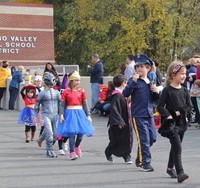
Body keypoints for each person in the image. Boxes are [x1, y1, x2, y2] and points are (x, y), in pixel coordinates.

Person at [123, 54, 160, 172]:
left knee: (152, 138)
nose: (139, 69)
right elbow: (125, 93)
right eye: (137, 67)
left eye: (142, 66)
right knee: (143, 139)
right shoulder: (133, 80)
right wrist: (133, 82)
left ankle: (140, 158)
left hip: (149, 114)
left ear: (148, 68)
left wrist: (156, 92)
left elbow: (155, 100)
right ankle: (145, 163)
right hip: (138, 115)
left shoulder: (150, 81)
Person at [157, 61, 192, 183]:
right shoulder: (167, 90)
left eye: (185, 74)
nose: (184, 76)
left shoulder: (184, 90)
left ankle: (169, 168)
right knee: (177, 147)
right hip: (171, 125)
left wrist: (180, 112)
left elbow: (189, 106)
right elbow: (160, 107)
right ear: (173, 75)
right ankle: (180, 172)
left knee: (175, 147)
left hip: (182, 124)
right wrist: (169, 114)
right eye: (182, 74)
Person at [57, 70, 95, 160]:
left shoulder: (81, 91)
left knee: (81, 133)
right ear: (71, 81)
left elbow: (85, 104)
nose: (78, 82)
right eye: (76, 80)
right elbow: (62, 105)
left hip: (80, 113)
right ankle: (72, 152)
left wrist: (88, 115)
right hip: (70, 113)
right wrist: (61, 115)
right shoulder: (66, 92)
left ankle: (77, 146)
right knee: (72, 133)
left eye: (79, 80)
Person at [105, 74, 133, 164]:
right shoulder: (116, 96)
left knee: (126, 139)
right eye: (126, 83)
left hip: (126, 121)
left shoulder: (122, 95)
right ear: (123, 83)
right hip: (118, 123)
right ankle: (108, 152)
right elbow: (114, 109)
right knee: (115, 141)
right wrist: (119, 121)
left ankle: (127, 156)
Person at [34, 72, 61, 158]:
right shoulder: (42, 93)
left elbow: (61, 104)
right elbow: (37, 104)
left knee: (56, 134)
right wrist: (35, 115)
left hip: (55, 114)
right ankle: (50, 150)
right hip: (46, 114)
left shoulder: (57, 93)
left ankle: (41, 139)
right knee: (49, 133)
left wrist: (62, 114)